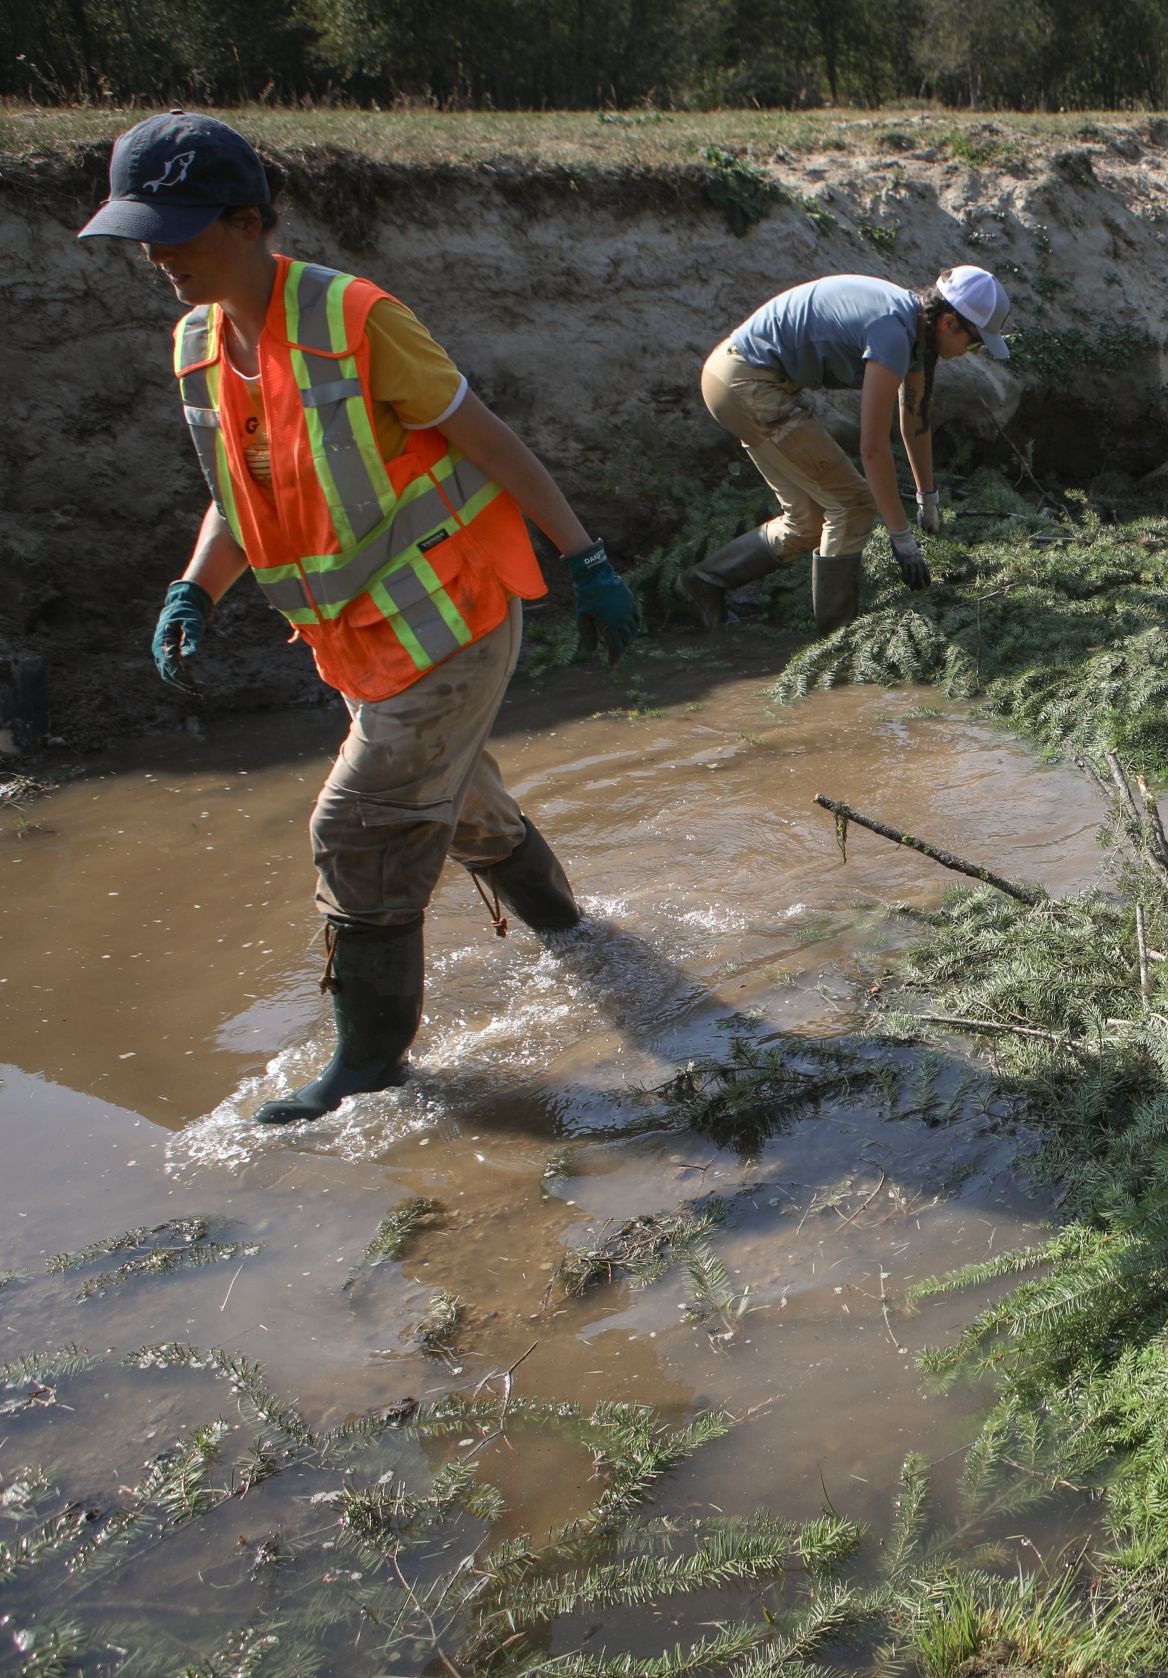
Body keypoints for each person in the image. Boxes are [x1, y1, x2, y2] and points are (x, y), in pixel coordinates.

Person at [84, 111, 641, 1124]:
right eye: (142, 235)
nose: (155, 255)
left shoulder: (355, 320)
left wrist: (584, 554)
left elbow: (488, 440)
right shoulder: (199, 342)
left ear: (247, 222)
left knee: (360, 826)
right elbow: (238, 489)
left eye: (173, 231)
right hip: (359, 643)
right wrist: (192, 589)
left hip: (452, 624)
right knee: (467, 812)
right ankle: (582, 941)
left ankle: (371, 1065)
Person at [681, 266, 1014, 631]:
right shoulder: (893, 332)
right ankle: (835, 647)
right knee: (852, 504)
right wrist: (901, 538)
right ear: (950, 323)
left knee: (807, 522)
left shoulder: (917, 328)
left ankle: (704, 582)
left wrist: (927, 497)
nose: (972, 352)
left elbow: (915, 421)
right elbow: (872, 448)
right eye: (976, 342)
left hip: (734, 377)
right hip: (748, 383)